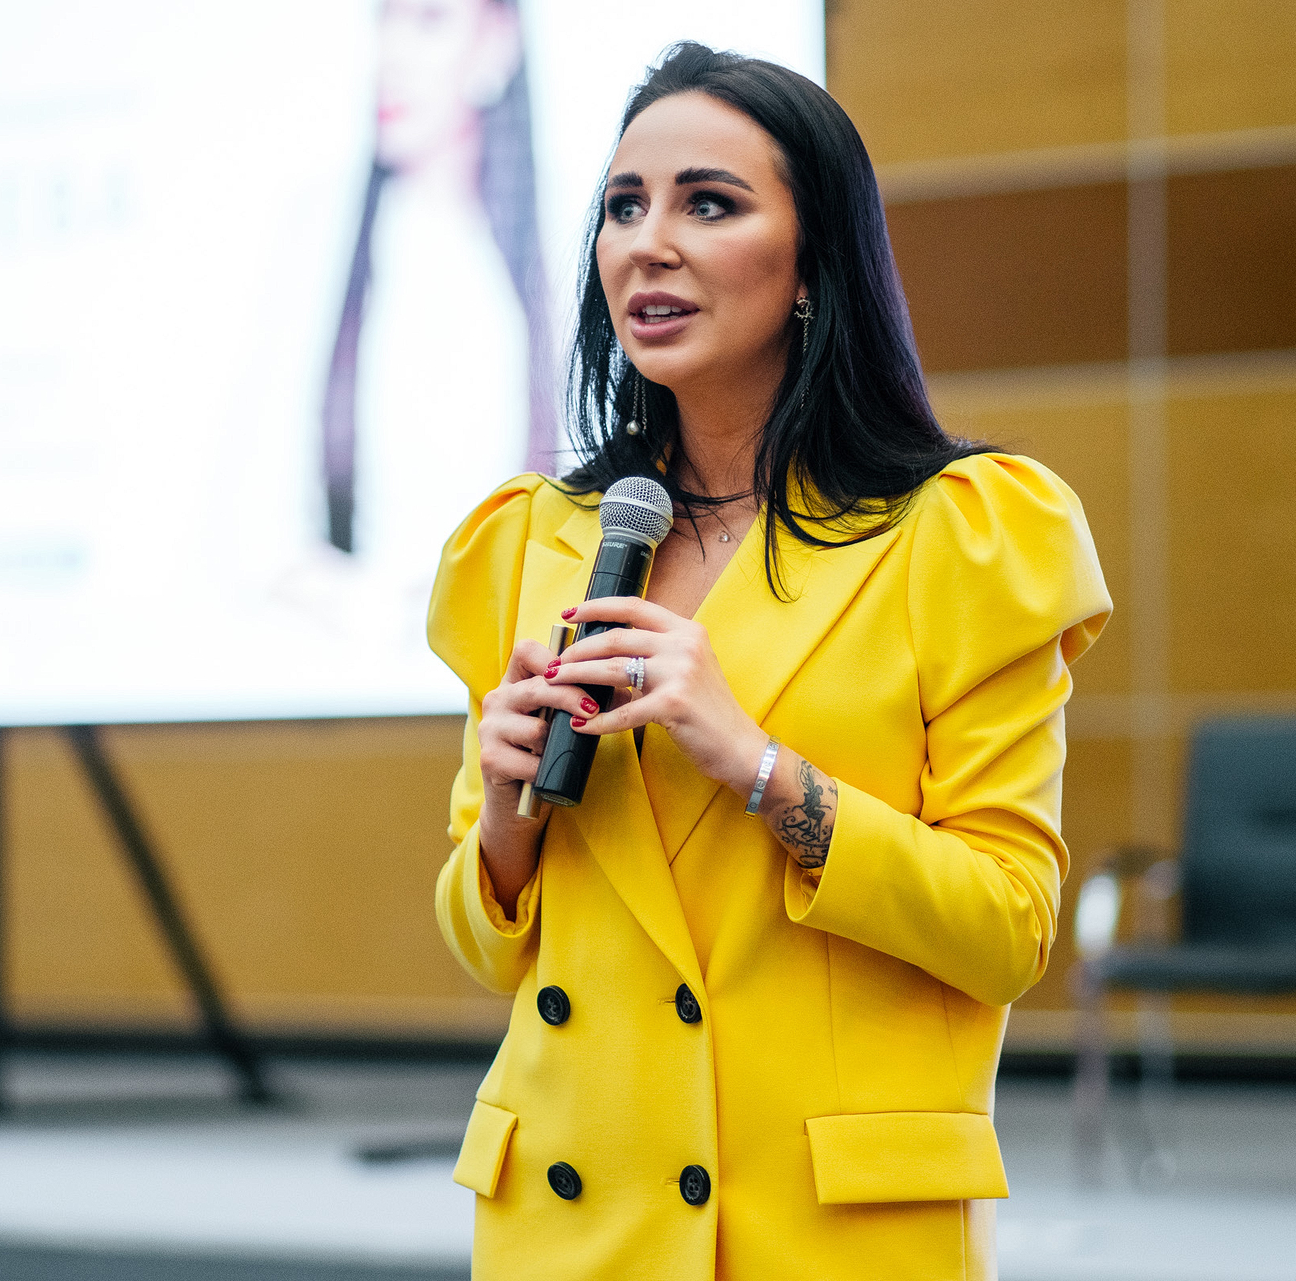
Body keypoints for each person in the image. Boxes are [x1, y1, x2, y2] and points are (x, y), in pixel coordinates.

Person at [430, 42, 1111, 1280]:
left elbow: (1008, 929)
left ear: (812, 266)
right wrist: (509, 821)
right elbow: (490, 947)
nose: (649, 243)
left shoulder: (961, 536)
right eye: (623, 206)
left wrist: (756, 765)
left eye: (709, 204)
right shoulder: (532, 540)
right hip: (572, 1227)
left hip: (826, 1232)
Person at [306, 0, 553, 649]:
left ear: (497, 42)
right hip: (356, 662)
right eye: (384, 20)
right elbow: (249, 546)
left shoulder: (539, 267)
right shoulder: (324, 240)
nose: (392, 54)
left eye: (429, 20)